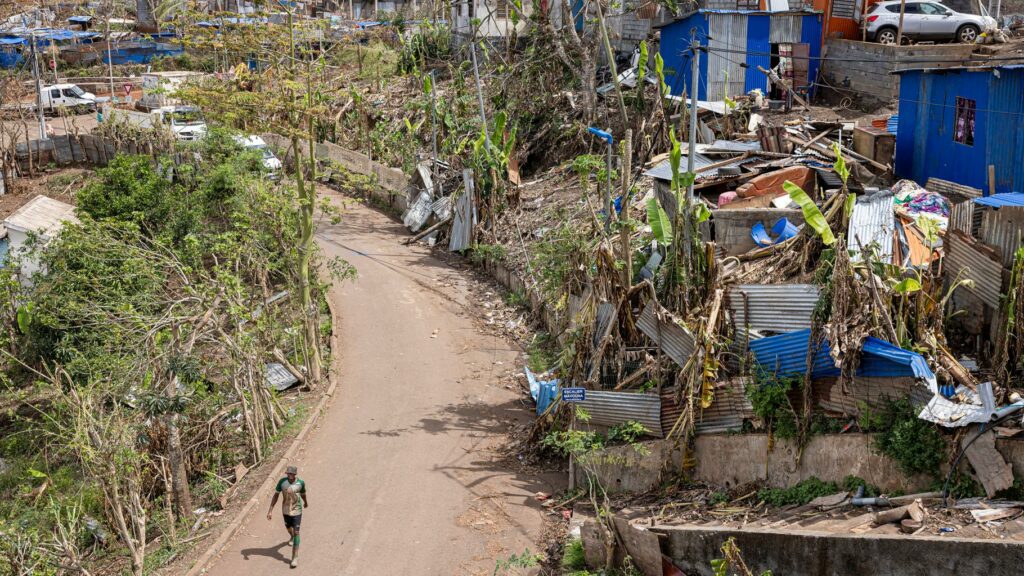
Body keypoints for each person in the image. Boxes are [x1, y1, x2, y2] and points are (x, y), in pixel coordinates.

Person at [266, 465, 307, 568]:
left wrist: (305, 502)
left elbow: (303, 494)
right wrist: (270, 510)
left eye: (291, 474)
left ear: (295, 474)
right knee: (289, 528)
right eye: (288, 473)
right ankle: (292, 536)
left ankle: (294, 557)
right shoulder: (282, 482)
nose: (289, 475)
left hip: (297, 510)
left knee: (297, 531)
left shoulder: (300, 483)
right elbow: (276, 495)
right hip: (285, 511)